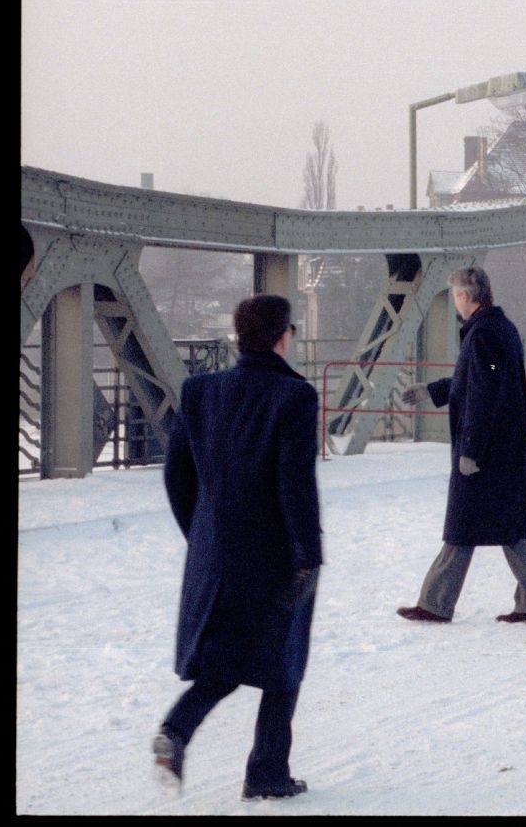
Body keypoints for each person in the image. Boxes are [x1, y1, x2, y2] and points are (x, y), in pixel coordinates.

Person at [153, 294, 322, 801]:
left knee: (224, 658)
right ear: (282, 335)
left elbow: (176, 475)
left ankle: (176, 731)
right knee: (283, 660)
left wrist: (203, 533)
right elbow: (295, 485)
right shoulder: (294, 396)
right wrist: (307, 553)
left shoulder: (200, 391)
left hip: (215, 554)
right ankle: (267, 771)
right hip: (275, 553)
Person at [397, 267, 526, 625]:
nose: (454, 304)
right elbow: (477, 379)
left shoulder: (483, 335)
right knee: (503, 530)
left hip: (486, 454)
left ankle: (436, 604)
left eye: (454, 297)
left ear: (466, 296)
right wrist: (433, 391)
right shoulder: (499, 329)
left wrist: (470, 450)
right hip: (504, 450)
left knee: (465, 529)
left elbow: (482, 394)